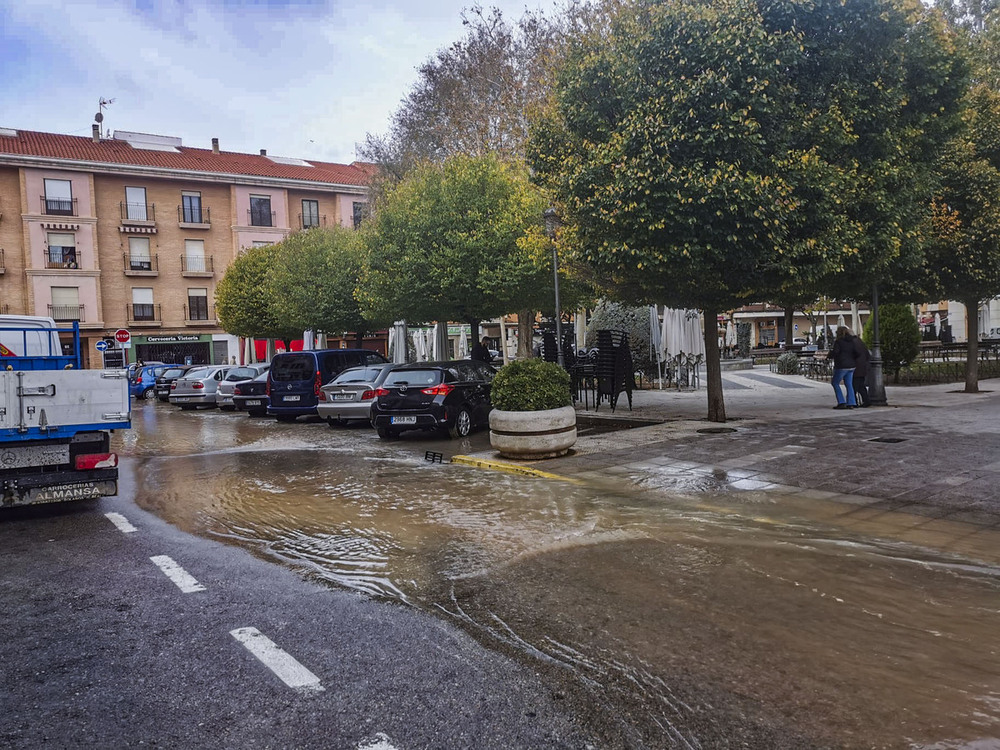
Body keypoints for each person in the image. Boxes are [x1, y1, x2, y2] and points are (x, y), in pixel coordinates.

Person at [830, 326, 859, 410]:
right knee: (849, 384)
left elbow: (836, 352)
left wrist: (829, 355)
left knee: (835, 383)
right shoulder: (852, 341)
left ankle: (841, 402)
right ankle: (851, 402)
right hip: (852, 365)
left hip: (842, 365)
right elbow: (856, 353)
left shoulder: (838, 342)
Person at [853, 334, 871, 407]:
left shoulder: (852, 343)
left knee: (854, 386)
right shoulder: (860, 342)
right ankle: (866, 400)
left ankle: (854, 402)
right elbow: (867, 355)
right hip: (863, 367)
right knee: (861, 385)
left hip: (856, 367)